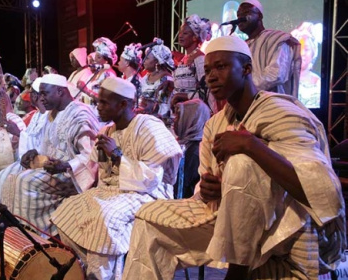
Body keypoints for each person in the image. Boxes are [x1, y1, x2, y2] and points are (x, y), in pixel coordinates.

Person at [122, 35, 345, 279]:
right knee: (148, 219)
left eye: (221, 66)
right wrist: (207, 190)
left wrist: (251, 145)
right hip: (229, 217)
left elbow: (321, 193)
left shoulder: (282, 113)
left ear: (247, 69)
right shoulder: (215, 124)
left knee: (241, 162)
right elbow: (206, 183)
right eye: (207, 70)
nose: (212, 76)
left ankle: (237, 273)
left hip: (286, 223)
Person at [51, 77, 182, 279]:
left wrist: (118, 155)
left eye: (103, 102)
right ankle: (94, 270)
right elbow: (102, 176)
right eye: (97, 102)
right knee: (67, 209)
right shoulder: (107, 131)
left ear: (122, 104)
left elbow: (153, 178)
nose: (98, 107)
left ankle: (103, 275)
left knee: (104, 216)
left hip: (147, 194)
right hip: (113, 192)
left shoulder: (148, 126)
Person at [0, 74, 100, 234]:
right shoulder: (51, 114)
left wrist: (66, 166)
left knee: (24, 181)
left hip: (71, 178)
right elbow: (46, 147)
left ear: (60, 92)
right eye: (39, 94)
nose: (40, 98)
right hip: (51, 170)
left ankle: (37, 234)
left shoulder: (80, 114)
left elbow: (91, 156)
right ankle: (13, 232)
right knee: (11, 179)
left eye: (44, 94)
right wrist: (34, 153)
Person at [237, 0, 301, 97]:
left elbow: (276, 74)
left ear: (260, 16)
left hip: (273, 107)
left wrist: (244, 89)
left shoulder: (278, 39)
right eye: (238, 15)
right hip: (246, 108)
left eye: (246, 12)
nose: (240, 18)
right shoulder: (241, 46)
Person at [171, 14, 218, 114]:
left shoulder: (200, 59)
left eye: (185, 33)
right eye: (180, 33)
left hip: (196, 114)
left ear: (195, 37)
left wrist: (182, 96)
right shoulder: (184, 59)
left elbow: (207, 93)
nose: (180, 36)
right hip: (182, 112)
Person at [173, 99, 211, 199]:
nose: (174, 120)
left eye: (179, 116)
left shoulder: (194, 152)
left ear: (191, 120)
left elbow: (180, 188)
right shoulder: (186, 144)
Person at [138, 39, 175, 120]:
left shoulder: (167, 80)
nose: (144, 61)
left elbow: (165, 107)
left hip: (159, 122)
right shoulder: (145, 78)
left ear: (157, 61)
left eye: (147, 58)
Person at [291, 21, 323, 108]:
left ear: (313, 53)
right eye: (299, 48)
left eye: (306, 49)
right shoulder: (285, 79)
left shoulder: (318, 82)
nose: (302, 53)